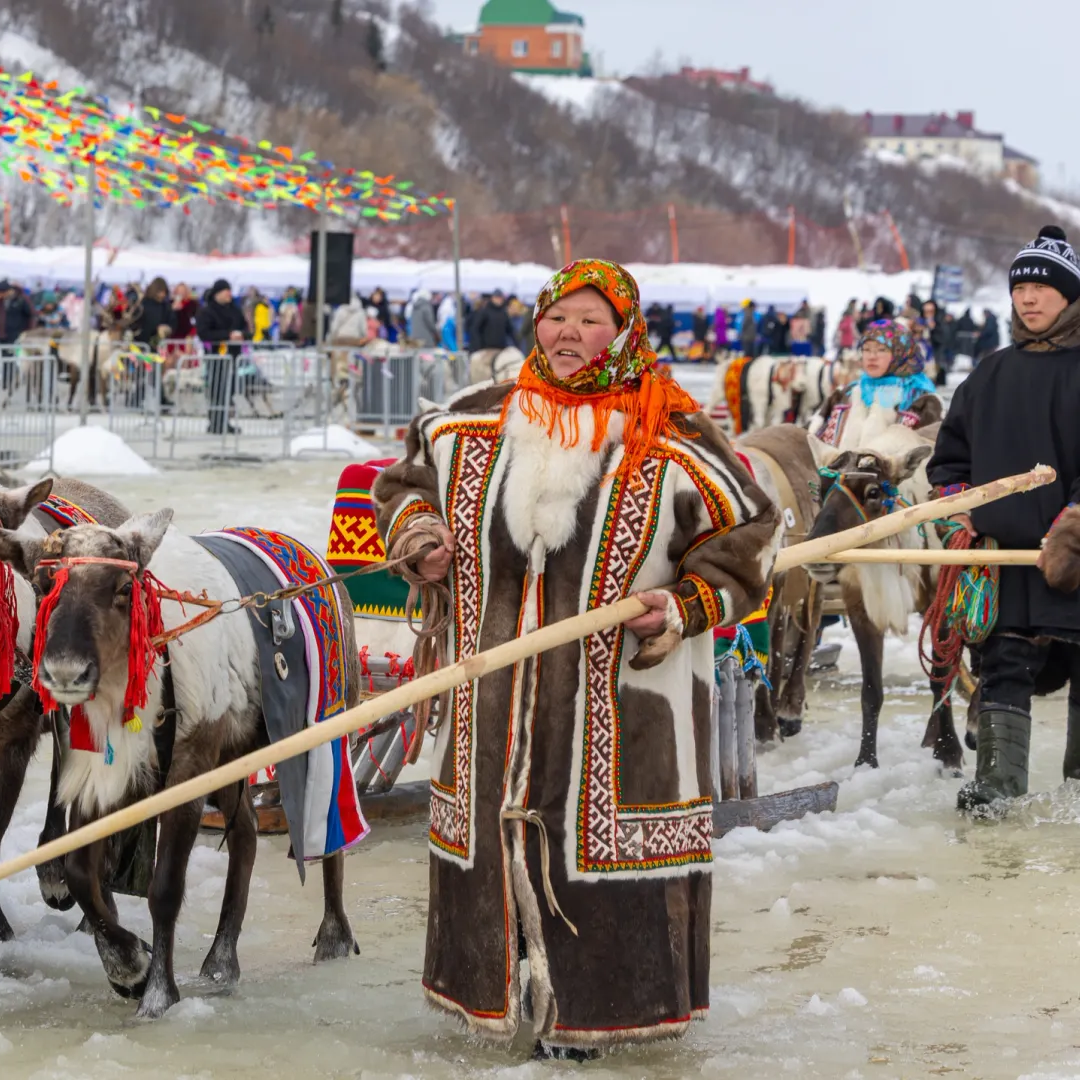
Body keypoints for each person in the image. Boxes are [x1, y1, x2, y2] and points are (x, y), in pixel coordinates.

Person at [372, 258, 775, 1057]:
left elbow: (745, 543)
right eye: (558, 316)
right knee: (488, 840)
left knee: (598, 870)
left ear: (624, 331)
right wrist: (417, 536)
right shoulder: (467, 424)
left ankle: (598, 1022)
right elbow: (403, 485)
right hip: (489, 706)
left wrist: (686, 605)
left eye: (591, 320)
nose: (569, 334)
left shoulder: (676, 441)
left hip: (624, 711)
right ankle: (497, 999)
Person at [930, 226, 1080, 811]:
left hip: (1073, 556)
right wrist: (959, 512)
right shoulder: (987, 374)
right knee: (1003, 669)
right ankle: (997, 790)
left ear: (1069, 296)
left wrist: (1073, 525)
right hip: (1003, 562)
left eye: (1044, 287)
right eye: (1021, 287)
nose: (1030, 298)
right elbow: (949, 462)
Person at [808, 319, 942, 447]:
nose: (872, 357)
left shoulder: (921, 400)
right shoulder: (846, 394)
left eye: (881, 349)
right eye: (866, 349)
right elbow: (812, 440)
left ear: (899, 352)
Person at [194, 278, 248, 435]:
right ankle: (216, 421)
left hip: (233, 355)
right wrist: (227, 335)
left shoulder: (235, 310)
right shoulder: (207, 311)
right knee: (217, 389)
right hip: (216, 355)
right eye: (226, 291)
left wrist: (242, 335)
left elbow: (245, 327)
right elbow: (204, 333)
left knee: (229, 389)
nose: (229, 294)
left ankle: (224, 421)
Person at [0, 279, 34, 345]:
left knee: (17, 354)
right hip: (3, 334)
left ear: (10, 290)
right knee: (5, 354)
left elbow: (32, 314)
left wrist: (29, 331)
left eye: (4, 293)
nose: (3, 295)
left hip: (18, 334)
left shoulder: (21, 298)